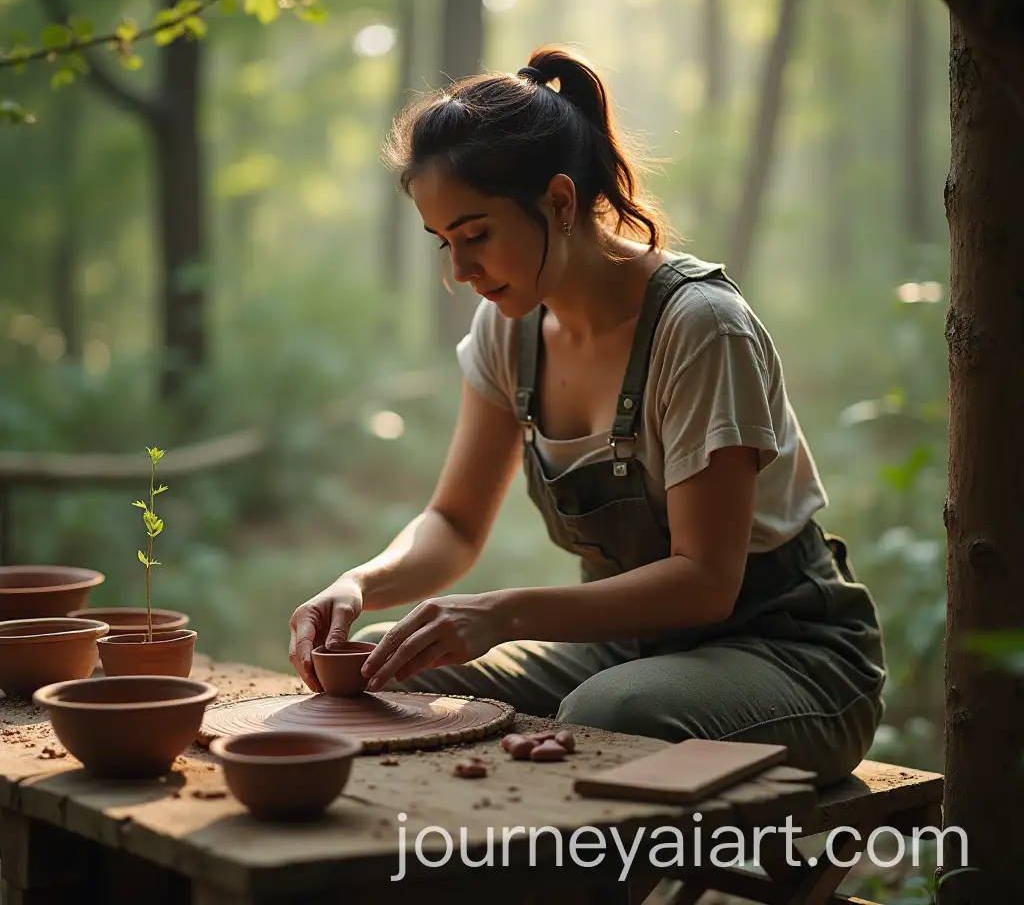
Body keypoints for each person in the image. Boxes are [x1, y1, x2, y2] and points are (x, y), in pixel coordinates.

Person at [288, 46, 886, 786]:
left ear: (561, 202)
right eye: (445, 242)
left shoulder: (701, 328)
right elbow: (455, 525)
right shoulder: (509, 329)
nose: (459, 272)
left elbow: (706, 580)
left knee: (612, 713)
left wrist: (502, 614)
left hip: (789, 655)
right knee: (385, 677)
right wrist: (359, 583)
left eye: (476, 235)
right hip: (635, 649)